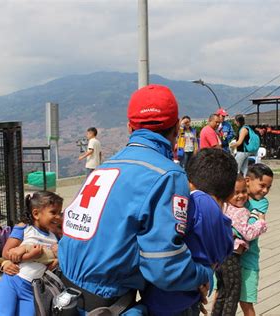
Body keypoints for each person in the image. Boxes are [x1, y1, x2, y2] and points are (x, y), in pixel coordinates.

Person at [58, 84, 213, 315]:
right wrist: (203, 274)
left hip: (63, 295)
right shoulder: (167, 175)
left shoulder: (106, 167)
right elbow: (164, 266)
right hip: (106, 304)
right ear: (177, 127)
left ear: (130, 127)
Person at [142, 148, 236, 315]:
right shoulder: (226, 226)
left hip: (164, 300)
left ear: (189, 182)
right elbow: (219, 257)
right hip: (191, 299)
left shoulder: (195, 201)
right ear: (230, 194)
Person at [0, 191, 63, 316]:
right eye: (53, 212)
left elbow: (51, 265)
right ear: (36, 214)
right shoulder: (24, 228)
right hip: (12, 281)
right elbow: (6, 253)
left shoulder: (55, 238)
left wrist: (57, 259)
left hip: (32, 290)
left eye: (60, 213)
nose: (58, 217)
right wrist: (28, 253)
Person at [212, 174, 268, 316]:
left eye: (243, 191)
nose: (241, 196)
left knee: (222, 293)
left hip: (219, 258)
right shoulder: (241, 211)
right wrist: (261, 222)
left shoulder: (223, 207)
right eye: (236, 193)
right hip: (232, 258)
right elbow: (248, 234)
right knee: (232, 295)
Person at [239, 164, 273, 316]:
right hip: (228, 258)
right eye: (262, 185)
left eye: (268, 187)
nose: (265, 191)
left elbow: (252, 229)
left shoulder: (262, 203)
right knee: (222, 296)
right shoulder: (236, 196)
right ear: (247, 181)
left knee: (246, 302)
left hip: (248, 260)